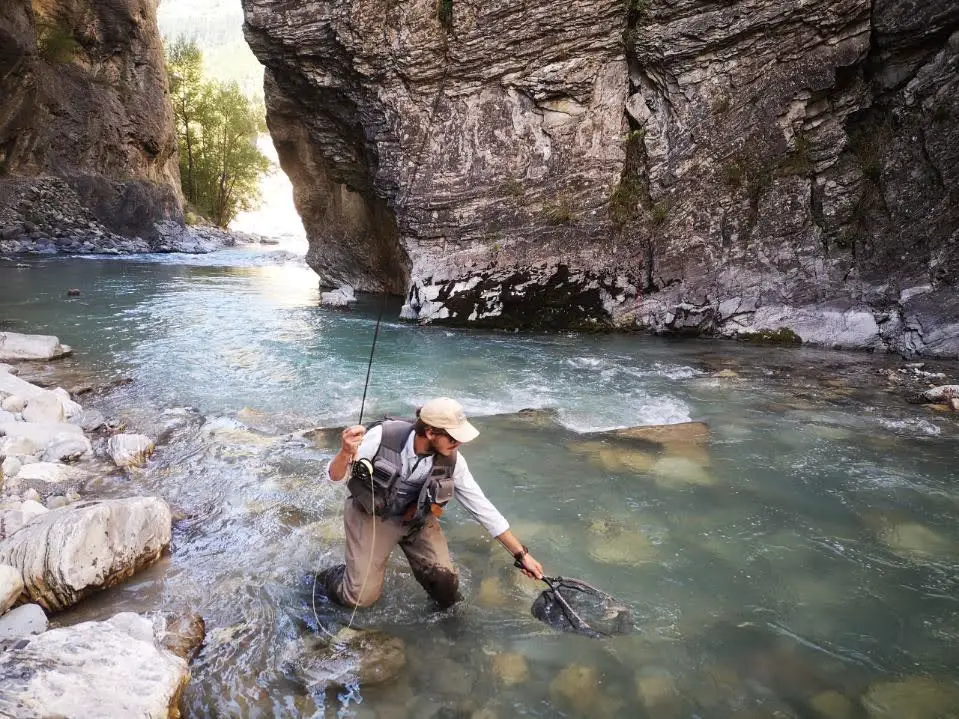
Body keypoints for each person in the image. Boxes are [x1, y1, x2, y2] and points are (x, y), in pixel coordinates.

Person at [319, 397, 544, 609]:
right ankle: (333, 576)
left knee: (447, 589)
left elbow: (482, 508)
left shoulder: (454, 461)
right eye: (453, 437)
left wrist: (521, 555)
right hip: (372, 516)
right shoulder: (381, 437)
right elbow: (333, 477)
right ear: (429, 432)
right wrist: (345, 452)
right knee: (359, 599)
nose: (459, 443)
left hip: (416, 519)